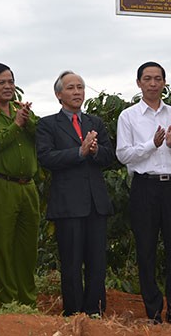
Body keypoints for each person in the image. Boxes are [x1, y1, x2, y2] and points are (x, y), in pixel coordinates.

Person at [115, 61, 171, 326]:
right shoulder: (128, 116)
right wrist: (153, 144)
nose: (152, 83)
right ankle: (153, 314)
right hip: (144, 186)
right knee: (146, 249)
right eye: (147, 78)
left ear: (164, 83)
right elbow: (123, 154)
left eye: (157, 78)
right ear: (138, 83)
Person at [36, 70, 114, 316]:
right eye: (70, 87)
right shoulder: (48, 124)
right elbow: (46, 157)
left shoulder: (95, 123)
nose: (77, 92)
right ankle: (73, 313)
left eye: (80, 87)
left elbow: (110, 156)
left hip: (96, 203)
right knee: (71, 262)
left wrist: (93, 151)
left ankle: (96, 311)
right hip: (67, 204)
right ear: (59, 94)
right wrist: (78, 152)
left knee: (96, 263)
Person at [0, 62, 40, 305]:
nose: (8, 87)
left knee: (27, 248)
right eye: (2, 83)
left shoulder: (21, 109)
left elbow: (42, 138)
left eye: (11, 82)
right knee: (3, 246)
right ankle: (7, 300)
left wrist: (28, 120)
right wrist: (16, 125)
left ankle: (28, 300)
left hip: (28, 186)